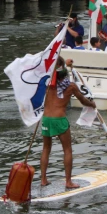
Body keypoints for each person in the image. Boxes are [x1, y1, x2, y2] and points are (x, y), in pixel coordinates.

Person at [40, 57, 96, 188]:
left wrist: (65, 65)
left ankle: (43, 179)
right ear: (64, 72)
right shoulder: (70, 86)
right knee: (67, 149)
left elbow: (53, 71)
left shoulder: (46, 83)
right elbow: (83, 101)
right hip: (59, 119)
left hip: (46, 119)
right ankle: (68, 182)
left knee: (46, 149)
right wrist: (92, 104)